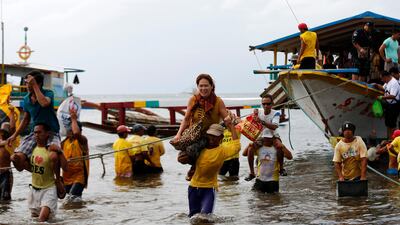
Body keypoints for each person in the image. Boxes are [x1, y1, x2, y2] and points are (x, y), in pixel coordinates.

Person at [7, 71, 67, 198]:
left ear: (38, 83)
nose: (26, 84)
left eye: (29, 82)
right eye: (27, 82)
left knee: (53, 155)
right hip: (35, 132)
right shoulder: (26, 99)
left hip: (51, 132)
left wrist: (35, 87)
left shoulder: (48, 93)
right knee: (15, 159)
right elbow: (26, 119)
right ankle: (41, 172)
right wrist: (14, 135)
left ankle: (57, 180)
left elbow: (44, 103)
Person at [171, 74, 230, 180]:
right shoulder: (193, 100)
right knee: (181, 157)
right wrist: (178, 134)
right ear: (197, 87)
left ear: (212, 86)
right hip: (193, 134)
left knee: (191, 150)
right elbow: (186, 119)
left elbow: (227, 118)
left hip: (209, 136)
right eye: (201, 86)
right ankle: (196, 166)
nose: (203, 88)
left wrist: (230, 121)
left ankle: (195, 168)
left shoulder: (218, 101)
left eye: (206, 86)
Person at [188, 123, 240, 218]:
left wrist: (232, 127)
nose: (212, 138)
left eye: (215, 136)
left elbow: (237, 146)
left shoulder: (222, 151)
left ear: (221, 137)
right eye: (210, 135)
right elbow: (186, 156)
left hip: (209, 188)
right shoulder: (199, 148)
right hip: (193, 187)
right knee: (193, 217)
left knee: (206, 217)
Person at [28, 123, 68, 222]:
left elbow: (66, 168)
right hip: (34, 189)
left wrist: (60, 151)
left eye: (39, 132)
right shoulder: (32, 149)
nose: (36, 135)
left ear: (47, 134)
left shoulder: (51, 151)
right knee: (35, 220)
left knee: (42, 219)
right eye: (35, 133)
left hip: (48, 189)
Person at [244, 94, 287, 181]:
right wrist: (254, 114)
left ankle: (281, 169)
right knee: (250, 148)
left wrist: (261, 122)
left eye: (268, 104)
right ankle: (252, 173)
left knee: (279, 147)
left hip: (273, 136)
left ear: (272, 104)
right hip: (262, 136)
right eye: (264, 104)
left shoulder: (276, 113)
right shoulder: (259, 111)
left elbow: (274, 127)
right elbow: (250, 122)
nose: (266, 106)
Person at [61, 108, 89, 201]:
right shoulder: (64, 142)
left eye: (72, 130)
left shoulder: (82, 140)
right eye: (70, 130)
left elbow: (76, 134)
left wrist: (73, 119)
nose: (71, 132)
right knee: (68, 200)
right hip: (66, 176)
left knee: (73, 197)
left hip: (79, 175)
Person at [252, 129, 292, 193]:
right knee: (257, 199)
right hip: (260, 180)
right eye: (265, 138)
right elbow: (245, 154)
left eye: (269, 138)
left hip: (273, 181)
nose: (267, 140)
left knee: (273, 200)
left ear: (273, 139)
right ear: (262, 138)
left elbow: (290, 157)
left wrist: (283, 146)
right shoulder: (259, 148)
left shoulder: (278, 149)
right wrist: (251, 144)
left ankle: (281, 169)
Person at [374, 71, 400, 138]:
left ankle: (392, 140)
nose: (382, 80)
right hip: (389, 104)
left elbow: (393, 96)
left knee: (392, 124)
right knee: (388, 123)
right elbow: (384, 88)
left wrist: (381, 97)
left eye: (382, 78)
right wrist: (377, 85)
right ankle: (388, 138)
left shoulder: (394, 83)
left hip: (394, 105)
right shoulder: (387, 82)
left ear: (386, 77)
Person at [0, 121, 15, 201]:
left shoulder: (11, 143)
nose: (2, 134)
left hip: (6, 174)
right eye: (2, 131)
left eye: (5, 132)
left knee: (6, 200)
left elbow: (13, 128)